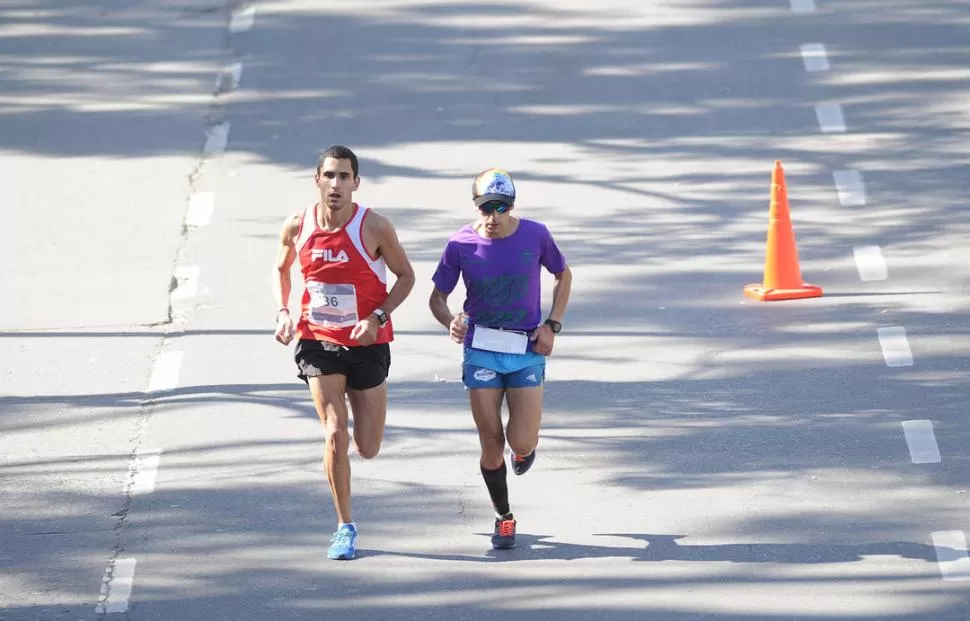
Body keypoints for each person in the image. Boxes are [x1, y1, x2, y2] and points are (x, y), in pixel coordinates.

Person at [272, 145, 415, 560]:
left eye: (344, 177)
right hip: (318, 341)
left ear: (356, 182)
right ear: (317, 180)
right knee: (335, 430)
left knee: (367, 446)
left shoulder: (375, 228)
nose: (336, 185)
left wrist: (378, 317)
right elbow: (280, 269)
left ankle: (364, 418)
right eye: (329, 176)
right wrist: (283, 312)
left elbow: (406, 277)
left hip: (368, 344)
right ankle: (344, 526)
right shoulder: (297, 226)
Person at [428, 168, 572, 549]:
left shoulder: (536, 234)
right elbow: (437, 298)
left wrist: (552, 324)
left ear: (512, 206)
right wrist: (450, 323)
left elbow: (563, 274)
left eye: (501, 207)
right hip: (481, 349)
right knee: (491, 444)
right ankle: (503, 517)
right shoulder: (460, 244)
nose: (493, 217)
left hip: (526, 350)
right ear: (475, 206)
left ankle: (524, 451)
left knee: (520, 440)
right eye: (486, 208)